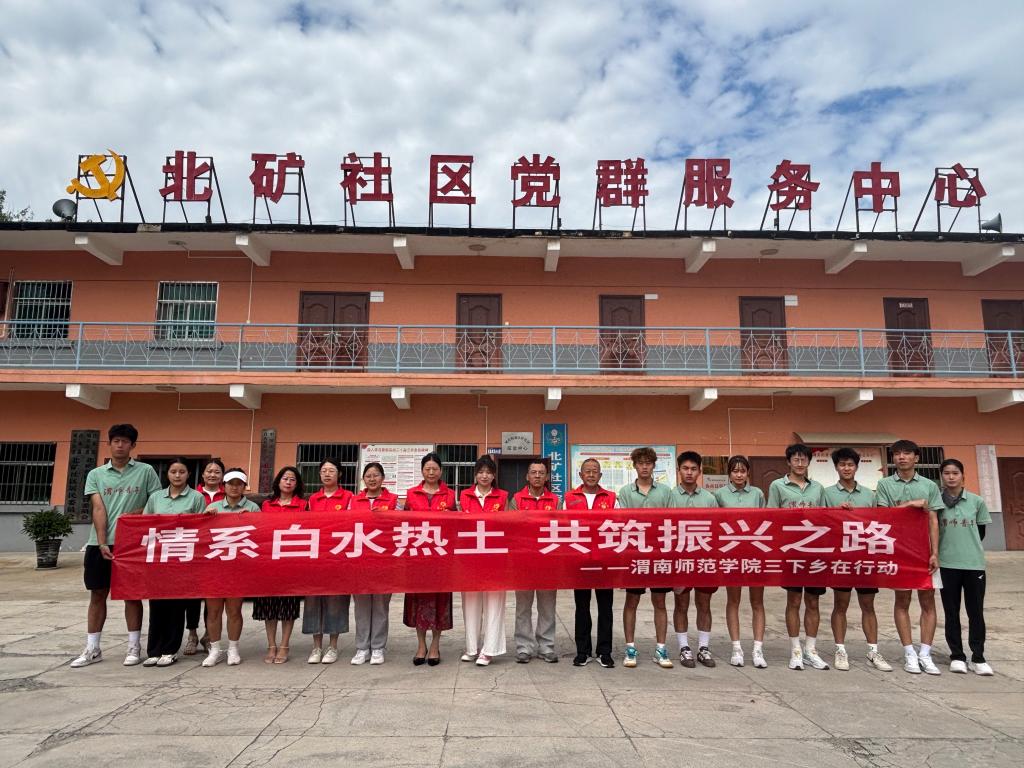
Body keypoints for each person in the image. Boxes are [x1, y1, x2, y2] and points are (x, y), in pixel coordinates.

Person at [70, 424, 161, 669]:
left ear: (133, 445)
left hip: (132, 543)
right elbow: (98, 508)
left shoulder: (146, 471)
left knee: (132, 595)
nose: (120, 445)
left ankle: (134, 647)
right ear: (109, 444)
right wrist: (102, 542)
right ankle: (92, 648)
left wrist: (135, 515)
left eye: (125, 441)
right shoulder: (96, 474)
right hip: (99, 542)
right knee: (97, 594)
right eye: (116, 441)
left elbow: (155, 503)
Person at [875, 439, 943, 675]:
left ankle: (925, 653)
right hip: (899, 551)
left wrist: (935, 552)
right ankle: (909, 653)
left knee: (928, 601)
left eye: (906, 453)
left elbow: (933, 520)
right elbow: (884, 516)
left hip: (924, 552)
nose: (901, 457)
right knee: (902, 600)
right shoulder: (884, 484)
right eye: (897, 454)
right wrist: (911, 504)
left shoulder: (929, 485)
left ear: (916, 458)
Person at [823, 448, 892, 673]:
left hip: (865, 557)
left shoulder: (869, 495)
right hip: (841, 557)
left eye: (850, 464)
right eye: (842, 464)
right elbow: (821, 522)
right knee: (840, 604)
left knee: (868, 605)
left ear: (856, 467)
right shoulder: (827, 493)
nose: (846, 468)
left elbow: (879, 523)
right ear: (836, 467)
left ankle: (873, 650)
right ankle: (840, 649)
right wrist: (837, 512)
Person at [767, 443, 830, 671]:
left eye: (804, 459)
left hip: (815, 553)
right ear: (789, 462)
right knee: (793, 600)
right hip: (791, 551)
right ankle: (795, 650)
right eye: (796, 459)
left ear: (809, 462)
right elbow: (771, 517)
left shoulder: (818, 488)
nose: (800, 463)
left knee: (813, 601)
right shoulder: (777, 486)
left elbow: (826, 517)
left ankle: (811, 650)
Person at [140, 458, 206, 667]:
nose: (177, 475)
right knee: (157, 605)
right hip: (158, 559)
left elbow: (202, 528)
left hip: (183, 559)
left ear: (189, 474)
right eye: (173, 471)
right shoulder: (156, 497)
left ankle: (170, 649)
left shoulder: (196, 498)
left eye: (182, 471)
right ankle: (154, 650)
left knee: (176, 606)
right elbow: (144, 524)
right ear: (167, 474)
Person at [617, 446, 674, 669]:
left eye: (648, 463)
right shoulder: (625, 492)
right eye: (640, 463)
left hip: (659, 554)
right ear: (634, 466)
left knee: (660, 601)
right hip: (634, 554)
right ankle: (630, 648)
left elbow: (672, 522)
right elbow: (622, 524)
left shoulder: (666, 492)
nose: (644, 467)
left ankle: (661, 648)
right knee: (632, 601)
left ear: (653, 466)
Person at [936, 458, 994, 676]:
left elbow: (980, 532)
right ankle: (957, 656)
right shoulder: (936, 503)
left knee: (975, 611)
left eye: (955, 473)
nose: (951, 477)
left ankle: (978, 657)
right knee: (951, 612)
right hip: (946, 564)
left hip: (973, 565)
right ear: (942, 476)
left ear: (962, 476)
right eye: (947, 473)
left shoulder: (976, 501)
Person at [201, 468, 260, 667]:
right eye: (231, 483)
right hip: (214, 567)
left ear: (244, 487)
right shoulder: (213, 507)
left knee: (234, 610)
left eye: (239, 484)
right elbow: (202, 536)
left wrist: (253, 520)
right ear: (223, 486)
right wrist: (205, 517)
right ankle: (215, 649)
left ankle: (233, 648)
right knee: (213, 611)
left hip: (238, 567)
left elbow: (261, 535)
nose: (234, 487)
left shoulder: (253, 508)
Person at [402, 452, 457, 666]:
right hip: (417, 557)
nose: (431, 472)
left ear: (441, 471)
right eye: (427, 469)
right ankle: (421, 645)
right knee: (419, 601)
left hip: (441, 558)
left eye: (435, 469)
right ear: (422, 471)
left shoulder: (450, 495)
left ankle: (435, 644)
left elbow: (456, 525)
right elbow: (404, 524)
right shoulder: (411, 494)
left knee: (439, 601)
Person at [714, 455, 768, 668]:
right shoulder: (719, 495)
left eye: (742, 471)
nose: (739, 475)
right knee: (733, 600)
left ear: (748, 473)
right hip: (731, 554)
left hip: (755, 553)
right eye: (735, 471)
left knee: (757, 602)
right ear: (729, 473)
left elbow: (766, 521)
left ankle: (758, 648)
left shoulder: (757, 494)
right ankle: (736, 647)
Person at [668, 451, 719, 669]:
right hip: (680, 559)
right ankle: (684, 647)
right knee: (681, 603)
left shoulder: (709, 498)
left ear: (700, 471)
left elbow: (716, 530)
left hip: (704, 559)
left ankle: (704, 648)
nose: (689, 472)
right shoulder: (669, 497)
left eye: (693, 469)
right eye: (685, 468)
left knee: (704, 604)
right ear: (678, 470)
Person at [564, 458, 616, 669]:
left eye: (595, 471)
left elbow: (618, 525)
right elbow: (564, 527)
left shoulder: (611, 497)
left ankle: (605, 652)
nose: (591, 474)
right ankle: (582, 651)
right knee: (582, 607)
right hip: (580, 560)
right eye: (588, 471)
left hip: (605, 560)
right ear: (581, 475)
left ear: (600, 475)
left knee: (606, 608)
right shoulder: (569, 498)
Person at [458, 454, 509, 666]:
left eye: (488, 472)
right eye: (481, 472)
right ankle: (471, 648)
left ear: (494, 475)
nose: (484, 476)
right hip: (470, 557)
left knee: (494, 603)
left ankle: (489, 649)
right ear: (475, 475)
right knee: (470, 603)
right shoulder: (464, 496)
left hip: (495, 557)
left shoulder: (503, 497)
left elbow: (508, 526)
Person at [254, 466, 307, 664]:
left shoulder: (303, 505)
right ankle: (271, 645)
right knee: (269, 607)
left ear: (297, 484)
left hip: (291, 563)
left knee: (287, 607)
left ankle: (284, 645)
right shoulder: (267, 505)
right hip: (268, 563)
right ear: (278, 482)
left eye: (293, 479)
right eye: (285, 478)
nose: (288, 482)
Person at [303, 458, 354, 664]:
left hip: (337, 558)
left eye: (331, 470)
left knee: (336, 602)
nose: (327, 474)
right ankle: (316, 646)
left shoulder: (349, 497)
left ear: (339, 474)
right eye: (323, 470)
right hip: (315, 559)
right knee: (313, 602)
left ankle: (333, 646)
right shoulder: (313, 499)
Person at [511, 460, 562, 664]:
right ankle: (524, 647)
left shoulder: (555, 500)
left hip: (548, 561)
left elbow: (560, 528)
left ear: (547, 477)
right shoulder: (517, 499)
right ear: (527, 476)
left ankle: (546, 646)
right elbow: (512, 528)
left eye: (541, 473)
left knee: (547, 606)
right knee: (523, 607)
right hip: (523, 561)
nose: (538, 476)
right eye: (534, 472)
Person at [349, 462, 398, 665]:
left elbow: (398, 526)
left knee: (380, 606)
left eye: (376, 475)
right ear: (363, 479)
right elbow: (346, 526)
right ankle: (362, 647)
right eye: (368, 475)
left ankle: (378, 647)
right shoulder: (354, 500)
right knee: (361, 606)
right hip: (359, 561)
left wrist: (385, 516)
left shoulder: (393, 500)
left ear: (383, 478)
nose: (372, 479)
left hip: (383, 562)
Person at [185, 458, 226, 656]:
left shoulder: (227, 495)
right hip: (195, 551)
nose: (212, 475)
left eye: (217, 472)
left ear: (222, 476)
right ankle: (192, 634)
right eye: (209, 471)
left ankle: (209, 636)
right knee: (192, 597)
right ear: (202, 474)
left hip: (218, 552)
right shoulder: (193, 495)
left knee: (214, 597)